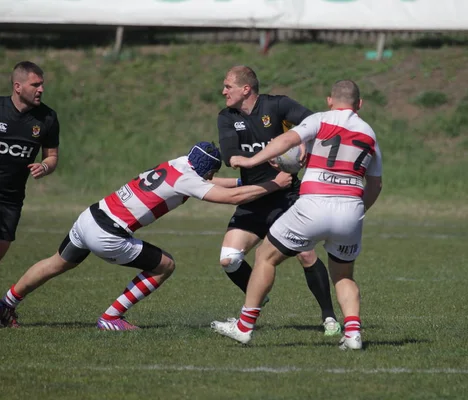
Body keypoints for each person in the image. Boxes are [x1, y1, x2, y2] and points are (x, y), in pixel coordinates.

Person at [0, 142, 292, 330]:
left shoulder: (179, 164)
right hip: (108, 234)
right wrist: (275, 184)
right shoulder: (190, 179)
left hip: (89, 217)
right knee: (164, 265)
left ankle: (6, 304)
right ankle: (111, 318)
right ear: (207, 170)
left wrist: (247, 180)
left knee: (56, 262)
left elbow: (214, 182)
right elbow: (232, 197)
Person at [211, 80, 383, 350]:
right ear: (359, 105)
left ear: (329, 101)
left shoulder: (320, 119)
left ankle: (244, 326)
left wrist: (251, 160)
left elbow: (288, 139)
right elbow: (376, 185)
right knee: (344, 275)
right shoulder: (370, 134)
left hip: (314, 204)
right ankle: (352, 334)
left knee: (265, 257)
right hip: (351, 210)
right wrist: (359, 212)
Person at [217, 65, 341, 335]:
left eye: (228, 86)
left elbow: (317, 122)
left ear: (246, 89)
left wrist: (304, 142)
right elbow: (230, 153)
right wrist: (238, 159)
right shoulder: (227, 117)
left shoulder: (278, 106)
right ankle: (258, 296)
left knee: (306, 254)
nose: (223, 91)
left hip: (287, 197)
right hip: (254, 197)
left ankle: (329, 317)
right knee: (229, 259)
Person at [0, 61, 60, 266]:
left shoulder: (48, 118)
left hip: (11, 198)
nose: (41, 89)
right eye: (35, 85)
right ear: (18, 86)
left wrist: (44, 166)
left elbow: (51, 156)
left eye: (41, 84)